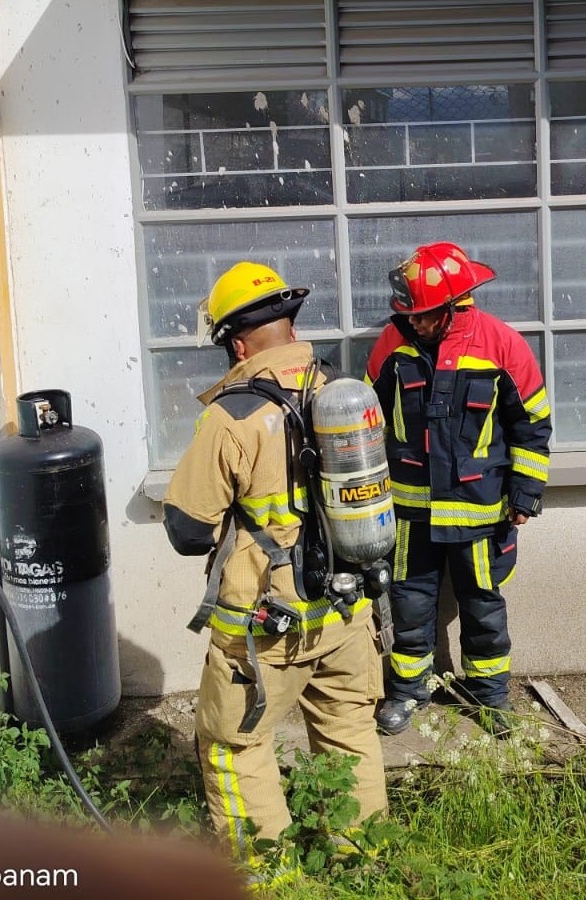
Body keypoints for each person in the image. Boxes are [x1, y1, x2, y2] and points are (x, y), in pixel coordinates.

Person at [161, 261, 387, 866]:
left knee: (234, 744)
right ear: (288, 325)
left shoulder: (230, 416)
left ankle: (269, 872)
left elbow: (187, 530)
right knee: (348, 731)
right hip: (347, 608)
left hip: (266, 625)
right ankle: (361, 859)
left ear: (236, 343)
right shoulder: (342, 393)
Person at [364, 241, 552, 737]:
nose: (417, 325)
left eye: (426, 316)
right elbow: (365, 423)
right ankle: (407, 692)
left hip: (480, 510)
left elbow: (532, 424)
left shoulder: (502, 344)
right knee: (409, 603)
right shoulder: (392, 343)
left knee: (483, 606)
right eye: (411, 315)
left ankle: (490, 698)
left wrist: (525, 494)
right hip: (410, 513)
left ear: (453, 306)